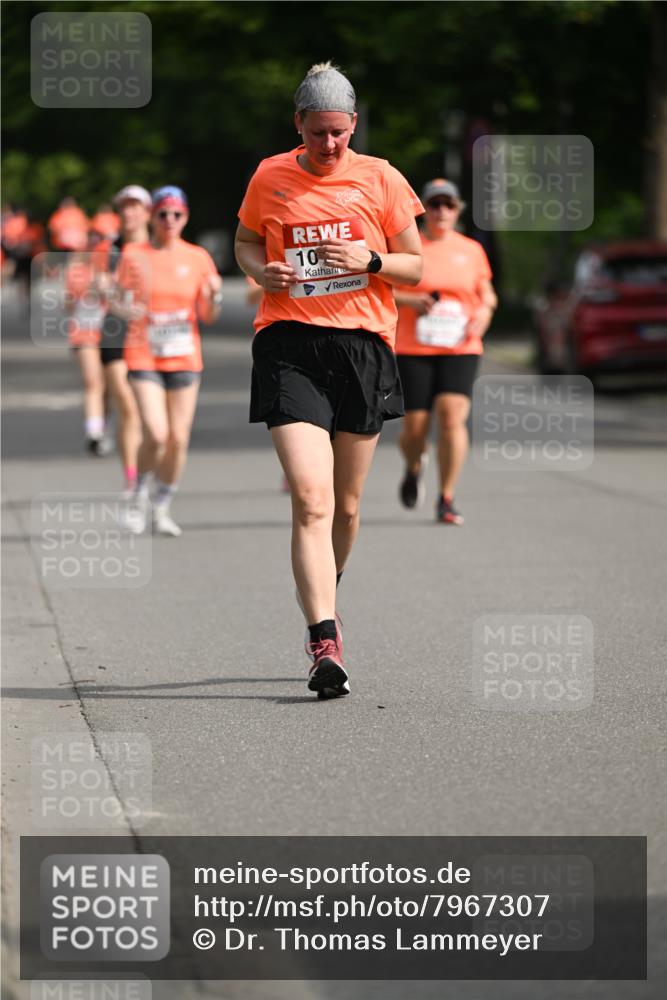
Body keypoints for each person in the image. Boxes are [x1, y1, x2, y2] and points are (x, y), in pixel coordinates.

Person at [235, 61, 423, 699]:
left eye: (339, 133)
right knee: (311, 498)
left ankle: (328, 589)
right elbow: (243, 242)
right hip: (288, 343)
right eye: (317, 133)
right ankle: (324, 641)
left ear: (353, 126)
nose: (329, 145)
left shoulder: (381, 178)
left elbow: (416, 267)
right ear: (299, 125)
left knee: (345, 506)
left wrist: (371, 259)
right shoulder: (270, 174)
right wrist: (262, 273)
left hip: (364, 348)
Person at [120, 185, 223, 536]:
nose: (169, 220)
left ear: (185, 217)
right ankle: (136, 495)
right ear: (153, 217)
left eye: (176, 214)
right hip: (143, 352)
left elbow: (209, 315)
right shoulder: (134, 254)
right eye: (163, 213)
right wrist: (125, 308)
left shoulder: (197, 257)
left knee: (179, 438)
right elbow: (118, 301)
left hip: (184, 355)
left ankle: (161, 506)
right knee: (157, 433)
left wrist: (213, 298)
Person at [394, 179, 497, 524]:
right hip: (413, 346)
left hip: (460, 345)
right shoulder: (409, 248)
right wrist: (410, 300)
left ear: (458, 210)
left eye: (448, 205)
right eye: (435, 204)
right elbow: (381, 291)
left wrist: (484, 314)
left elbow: (487, 295)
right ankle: (413, 465)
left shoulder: (471, 250)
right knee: (414, 430)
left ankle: (446, 496)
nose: (441, 211)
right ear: (424, 210)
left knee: (452, 416)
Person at [100, 185, 152, 493]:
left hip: (154, 336)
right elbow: (100, 286)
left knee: (153, 416)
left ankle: (148, 469)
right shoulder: (112, 250)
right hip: (116, 332)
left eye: (135, 206)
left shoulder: (161, 246)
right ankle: (131, 478)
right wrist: (111, 293)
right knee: (129, 408)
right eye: (124, 207)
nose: (129, 213)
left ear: (147, 212)